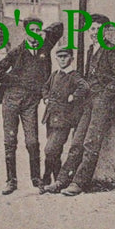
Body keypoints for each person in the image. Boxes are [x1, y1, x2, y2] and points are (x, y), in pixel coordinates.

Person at [51, 13, 115, 197]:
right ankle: (62, 180)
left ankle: (79, 182)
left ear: (105, 31)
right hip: (89, 101)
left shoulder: (111, 50)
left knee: (90, 142)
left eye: (98, 29)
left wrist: (103, 95)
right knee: (77, 141)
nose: (94, 32)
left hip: (104, 102)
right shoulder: (89, 50)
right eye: (92, 29)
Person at [0, 18, 64, 195]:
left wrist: (44, 32)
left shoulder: (45, 47)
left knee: (32, 141)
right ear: (25, 32)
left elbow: (59, 27)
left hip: (30, 102)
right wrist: (17, 80)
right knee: (10, 141)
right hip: (11, 100)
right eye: (31, 30)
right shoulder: (17, 52)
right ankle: (11, 181)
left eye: (37, 30)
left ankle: (36, 179)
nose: (35, 33)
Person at [39, 47, 90, 192]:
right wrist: (46, 97)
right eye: (59, 57)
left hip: (63, 119)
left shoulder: (73, 76)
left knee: (50, 150)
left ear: (71, 59)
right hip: (51, 117)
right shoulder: (55, 74)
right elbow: (45, 87)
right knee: (54, 150)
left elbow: (84, 87)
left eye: (65, 57)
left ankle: (47, 178)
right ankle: (56, 181)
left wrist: (73, 96)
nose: (62, 59)